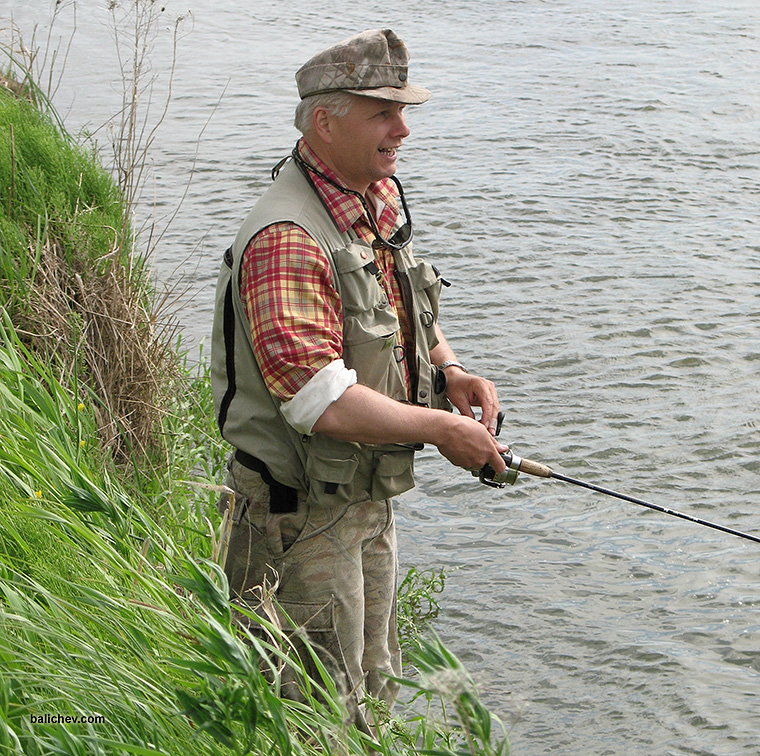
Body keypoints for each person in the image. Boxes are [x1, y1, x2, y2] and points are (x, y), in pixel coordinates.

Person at [210, 28, 507, 726]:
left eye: (403, 111)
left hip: (361, 502)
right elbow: (320, 402)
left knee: (371, 698)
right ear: (325, 120)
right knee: (307, 717)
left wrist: (449, 368)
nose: (403, 128)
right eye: (383, 112)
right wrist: (440, 429)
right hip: (296, 518)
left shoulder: (367, 203)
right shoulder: (287, 237)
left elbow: (401, 303)